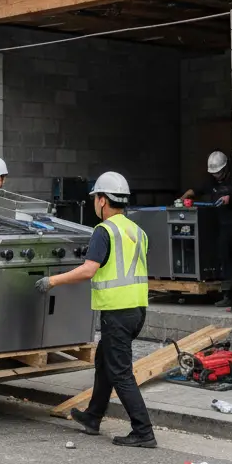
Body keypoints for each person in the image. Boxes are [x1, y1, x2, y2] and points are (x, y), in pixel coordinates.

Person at [35, 171, 156, 449]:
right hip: (136, 309)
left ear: (102, 200)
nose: (94, 203)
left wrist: (52, 281)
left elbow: (90, 269)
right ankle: (93, 417)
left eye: (95, 198)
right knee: (105, 363)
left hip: (117, 311)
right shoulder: (137, 231)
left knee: (121, 372)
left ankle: (143, 431)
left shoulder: (104, 231)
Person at [176, 150, 232, 308]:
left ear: (226, 168)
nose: (217, 176)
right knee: (223, 257)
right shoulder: (211, 182)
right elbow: (194, 191)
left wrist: (231, 197)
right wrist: (181, 200)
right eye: (214, 174)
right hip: (221, 226)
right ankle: (227, 294)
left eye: (219, 173)